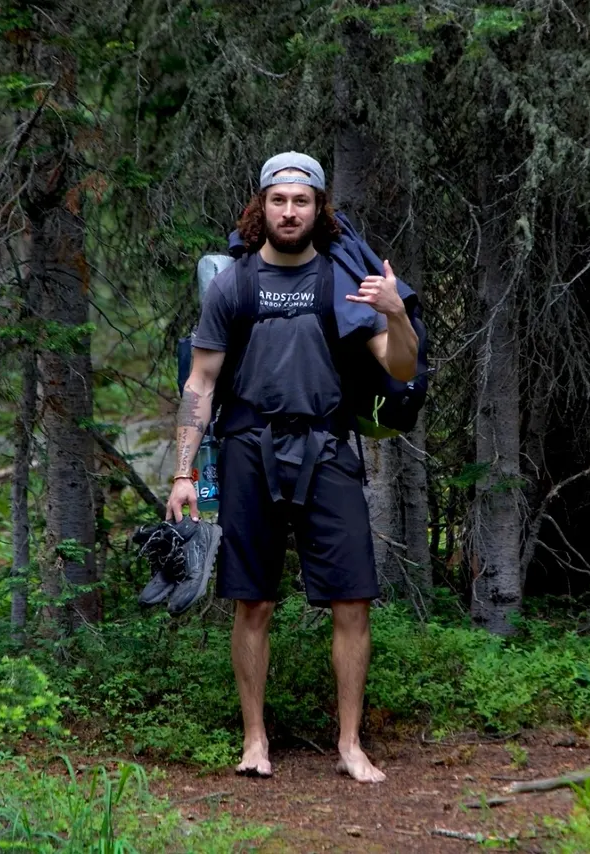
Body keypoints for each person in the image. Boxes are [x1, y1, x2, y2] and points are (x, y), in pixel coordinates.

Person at [166, 151, 418, 783]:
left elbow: (403, 367)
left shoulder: (340, 279)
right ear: (261, 207)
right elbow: (200, 382)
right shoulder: (234, 284)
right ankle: (255, 741)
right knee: (251, 602)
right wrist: (184, 473)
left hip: (328, 449)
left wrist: (395, 309)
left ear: (317, 208)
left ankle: (350, 744)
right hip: (249, 448)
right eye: (278, 200)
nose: (288, 211)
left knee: (353, 601)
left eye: (301, 201)